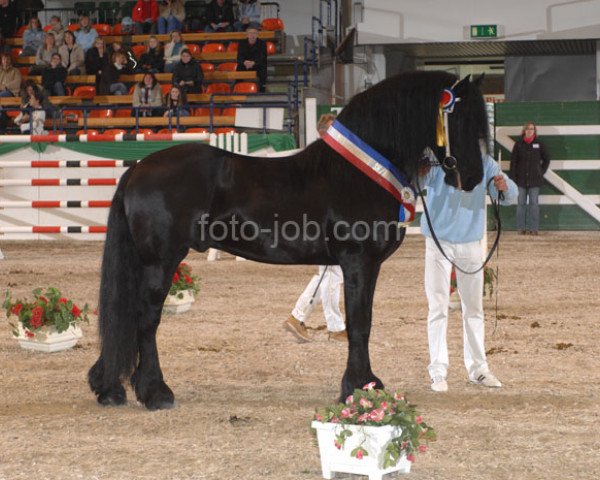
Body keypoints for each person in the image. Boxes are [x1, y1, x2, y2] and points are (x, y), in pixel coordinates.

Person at [419, 148, 517, 392]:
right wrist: (419, 166)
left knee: (474, 308)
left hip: (471, 242)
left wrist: (504, 185)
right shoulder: (435, 158)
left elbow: (509, 195)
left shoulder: (485, 162)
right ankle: (438, 370)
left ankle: (478, 369)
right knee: (437, 306)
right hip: (438, 240)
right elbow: (417, 181)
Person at [284, 113, 348, 343]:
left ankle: (298, 317)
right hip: (322, 222)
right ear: (323, 133)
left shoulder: (328, 156)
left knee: (327, 274)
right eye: (332, 131)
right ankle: (334, 326)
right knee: (333, 273)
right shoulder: (321, 158)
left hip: (324, 221)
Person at [509, 122, 551, 236]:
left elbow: (546, 159)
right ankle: (520, 228)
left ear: (534, 131)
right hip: (520, 180)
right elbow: (513, 163)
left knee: (534, 204)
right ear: (524, 131)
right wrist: (513, 178)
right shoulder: (518, 145)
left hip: (535, 180)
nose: (529, 130)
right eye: (527, 128)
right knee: (521, 204)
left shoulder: (539, 144)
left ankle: (534, 229)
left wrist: (540, 172)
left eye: (532, 129)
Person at [236, 25, 267, 92]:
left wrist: (254, 63)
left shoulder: (262, 43)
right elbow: (239, 57)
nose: (252, 35)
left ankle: (262, 90)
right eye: (250, 33)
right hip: (245, 64)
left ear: (257, 34)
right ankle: (238, 89)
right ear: (247, 35)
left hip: (257, 64)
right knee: (239, 67)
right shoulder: (242, 43)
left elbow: (262, 57)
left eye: (254, 33)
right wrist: (244, 62)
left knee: (263, 67)